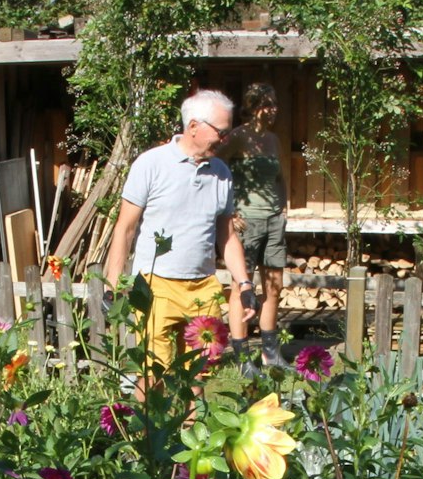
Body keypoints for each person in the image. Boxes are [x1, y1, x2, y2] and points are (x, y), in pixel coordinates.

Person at [105, 90, 253, 382]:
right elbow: (125, 228)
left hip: (203, 287)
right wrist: (113, 284)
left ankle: (191, 426)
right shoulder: (150, 164)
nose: (225, 139)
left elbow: (227, 236)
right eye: (221, 132)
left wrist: (245, 282)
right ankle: (150, 429)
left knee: (200, 373)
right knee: (153, 375)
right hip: (155, 285)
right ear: (194, 126)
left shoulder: (221, 172)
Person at [222, 82, 287, 366]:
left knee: (274, 286)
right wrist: (230, 213)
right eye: (266, 104)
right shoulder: (237, 138)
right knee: (241, 288)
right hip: (246, 223)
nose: (272, 110)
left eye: (274, 104)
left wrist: (284, 209)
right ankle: (242, 357)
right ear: (252, 108)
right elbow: (218, 172)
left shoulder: (273, 140)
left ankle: (270, 353)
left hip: (273, 221)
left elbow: (279, 177)